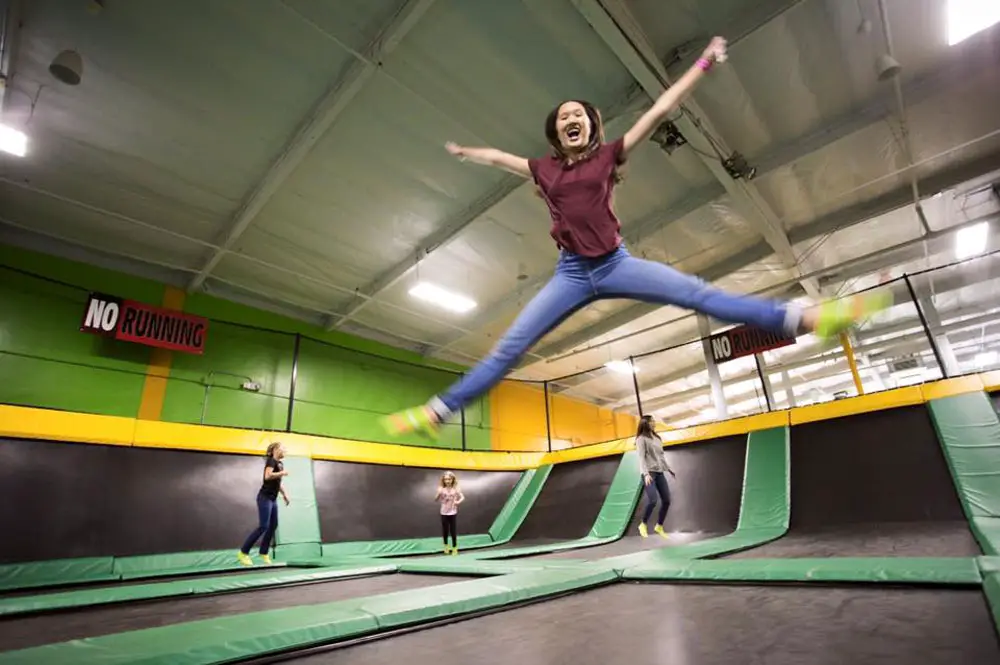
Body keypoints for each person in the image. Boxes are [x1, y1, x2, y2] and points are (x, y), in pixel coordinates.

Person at [382, 36, 891, 440]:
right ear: (556, 135)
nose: (571, 120)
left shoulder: (608, 157)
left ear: (591, 126)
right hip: (572, 274)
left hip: (616, 263)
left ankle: (801, 317)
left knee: (698, 294)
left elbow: (660, 108)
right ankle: (440, 410)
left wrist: (704, 65)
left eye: (578, 114)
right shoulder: (542, 170)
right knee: (510, 347)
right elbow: (500, 157)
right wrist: (468, 152)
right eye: (563, 119)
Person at [237, 441, 290, 566]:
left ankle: (264, 552)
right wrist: (282, 473)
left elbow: (277, 482)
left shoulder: (280, 464)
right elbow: (268, 476)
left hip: (273, 499)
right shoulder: (271, 461)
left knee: (273, 525)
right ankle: (243, 552)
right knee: (263, 526)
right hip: (264, 498)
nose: (285, 451)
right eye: (283, 448)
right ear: (276, 449)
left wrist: (284, 494)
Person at [634, 414, 675, 538]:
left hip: (659, 472)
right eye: (651, 421)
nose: (654, 423)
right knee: (653, 500)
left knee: (667, 500)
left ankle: (659, 526)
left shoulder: (657, 438)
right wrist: (646, 474)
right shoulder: (641, 439)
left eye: (654, 421)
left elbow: (661, 456)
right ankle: (643, 524)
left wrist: (669, 468)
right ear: (645, 423)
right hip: (649, 473)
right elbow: (641, 457)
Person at [435, 471, 464, 554]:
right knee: (445, 530)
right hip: (444, 512)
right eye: (446, 479)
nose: (447, 481)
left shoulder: (455, 489)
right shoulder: (441, 489)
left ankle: (454, 547)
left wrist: (458, 502)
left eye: (449, 479)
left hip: (452, 512)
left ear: (452, 480)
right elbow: (435, 499)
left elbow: (462, 497)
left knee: (453, 530)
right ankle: (446, 546)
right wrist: (438, 493)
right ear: (443, 480)